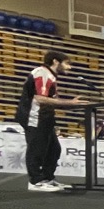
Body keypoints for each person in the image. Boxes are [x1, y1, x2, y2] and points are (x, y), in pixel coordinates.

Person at [15, 49, 85, 191]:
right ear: (55, 61)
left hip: (45, 117)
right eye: (67, 63)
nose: (69, 67)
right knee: (36, 149)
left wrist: (71, 105)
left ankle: (47, 178)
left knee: (54, 149)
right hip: (35, 117)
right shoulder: (42, 73)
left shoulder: (50, 76)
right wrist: (69, 103)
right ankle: (35, 181)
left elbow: (51, 100)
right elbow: (39, 98)